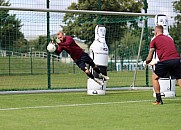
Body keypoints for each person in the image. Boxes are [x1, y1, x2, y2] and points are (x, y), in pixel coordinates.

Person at [146, 25, 181, 105]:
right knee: (179, 78)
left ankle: (158, 100)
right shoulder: (169, 39)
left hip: (165, 61)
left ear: (156, 32)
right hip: (176, 59)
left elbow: (150, 56)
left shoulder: (154, 40)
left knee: (154, 77)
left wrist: (147, 62)